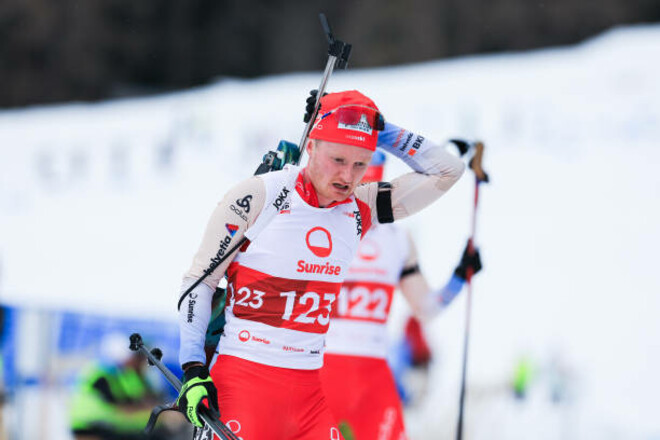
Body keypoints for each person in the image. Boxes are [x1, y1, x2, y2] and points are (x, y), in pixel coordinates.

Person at [176, 90, 466, 440]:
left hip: (309, 394)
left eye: (361, 164)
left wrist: (379, 129)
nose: (348, 175)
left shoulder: (361, 208)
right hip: (243, 384)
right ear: (312, 145)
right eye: (338, 159)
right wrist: (193, 369)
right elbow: (200, 281)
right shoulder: (261, 195)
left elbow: (448, 171)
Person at [319, 151, 482, 440]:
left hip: (372, 373)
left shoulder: (397, 239)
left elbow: (426, 309)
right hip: (321, 367)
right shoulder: (316, 226)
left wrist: (459, 277)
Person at [69, 333, 166, 440]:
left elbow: (139, 400)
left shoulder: (124, 375)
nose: (142, 363)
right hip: (92, 425)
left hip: (103, 424)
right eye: (140, 358)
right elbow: (122, 408)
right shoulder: (104, 373)